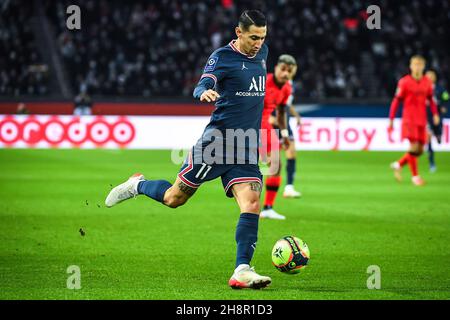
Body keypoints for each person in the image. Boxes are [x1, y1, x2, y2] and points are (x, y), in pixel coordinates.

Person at [105, 10, 272, 289]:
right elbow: (204, 82)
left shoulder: (263, 52)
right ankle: (138, 185)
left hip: (246, 145)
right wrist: (203, 92)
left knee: (252, 204)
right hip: (217, 144)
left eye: (262, 37)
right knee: (174, 199)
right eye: (253, 37)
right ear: (238, 32)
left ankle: (242, 269)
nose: (258, 43)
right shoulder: (222, 57)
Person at [389, 55, 440, 186]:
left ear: (423, 67)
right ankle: (415, 177)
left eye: (420, 65)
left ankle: (398, 164)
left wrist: (435, 114)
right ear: (411, 66)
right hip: (409, 119)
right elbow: (396, 101)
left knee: (419, 150)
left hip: (421, 120)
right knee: (413, 147)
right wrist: (391, 119)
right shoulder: (404, 82)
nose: (417, 67)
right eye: (415, 64)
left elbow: (431, 100)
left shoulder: (427, 83)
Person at [259, 54, 296, 220]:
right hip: (250, 123)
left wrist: (285, 134)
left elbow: (281, 113)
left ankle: (267, 207)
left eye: (289, 71)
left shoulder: (287, 88)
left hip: (266, 125)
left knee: (276, 165)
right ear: (276, 69)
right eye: (283, 69)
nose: (285, 74)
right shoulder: (263, 81)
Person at [269, 63, 302, 198]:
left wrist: (296, 115)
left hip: (285, 124)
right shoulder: (273, 82)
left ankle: (289, 187)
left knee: (291, 154)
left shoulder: (289, 84)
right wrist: (270, 118)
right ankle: (260, 198)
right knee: (272, 164)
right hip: (271, 125)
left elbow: (286, 104)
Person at [425, 70, 449, 172]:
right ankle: (432, 163)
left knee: (439, 139)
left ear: (435, 77)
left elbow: (446, 97)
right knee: (428, 138)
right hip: (426, 117)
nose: (429, 77)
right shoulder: (422, 88)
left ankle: (438, 135)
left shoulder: (440, 89)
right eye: (427, 76)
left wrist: (443, 106)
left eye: (431, 76)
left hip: (437, 117)